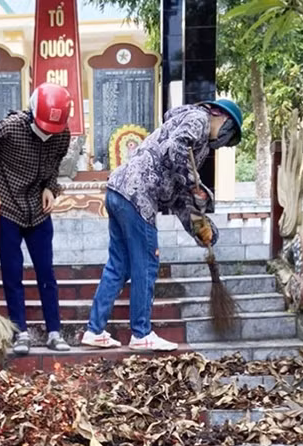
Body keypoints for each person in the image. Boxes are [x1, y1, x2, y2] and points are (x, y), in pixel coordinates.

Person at [81, 99, 243, 351]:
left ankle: (95, 330)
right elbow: (175, 149)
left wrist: (202, 229)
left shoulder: (193, 138)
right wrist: (193, 184)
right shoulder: (198, 118)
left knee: (119, 265)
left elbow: (179, 198)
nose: (223, 141)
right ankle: (141, 333)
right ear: (221, 117)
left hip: (119, 191)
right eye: (228, 132)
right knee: (146, 264)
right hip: (138, 195)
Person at [0, 82, 73, 355]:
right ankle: (21, 333)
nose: (47, 135)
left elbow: (55, 165)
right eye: (42, 128)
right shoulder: (10, 128)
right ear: (32, 113)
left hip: (38, 210)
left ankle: (54, 331)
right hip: (7, 208)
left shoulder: (62, 135)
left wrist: (51, 187)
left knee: (46, 271)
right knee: (13, 272)